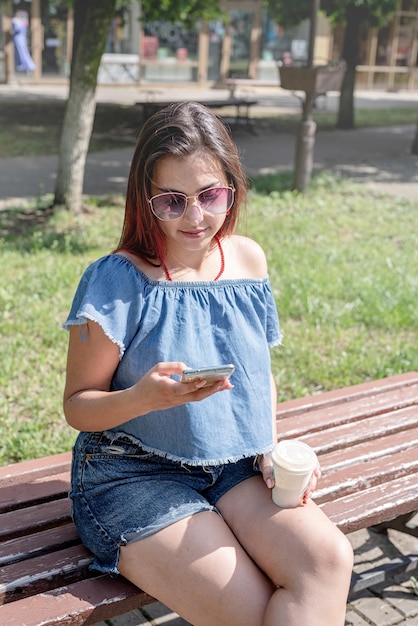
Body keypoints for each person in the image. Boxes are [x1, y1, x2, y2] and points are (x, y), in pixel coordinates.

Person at [63, 101, 353, 626]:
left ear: (232, 188)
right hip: (131, 473)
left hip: (233, 465)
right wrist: (142, 398)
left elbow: (255, 375)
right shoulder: (116, 281)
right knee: (251, 609)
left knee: (327, 561)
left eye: (210, 195)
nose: (194, 217)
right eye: (171, 201)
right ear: (144, 199)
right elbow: (78, 407)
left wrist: (270, 449)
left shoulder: (247, 260)